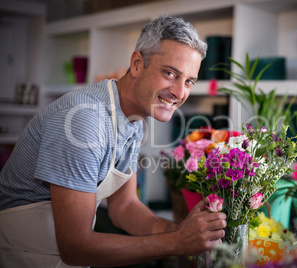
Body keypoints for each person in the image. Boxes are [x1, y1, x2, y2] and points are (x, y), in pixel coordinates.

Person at [0, 15, 226, 267]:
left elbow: (124, 206)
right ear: (137, 63)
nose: (179, 92)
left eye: (189, 81)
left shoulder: (134, 120)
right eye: (170, 73)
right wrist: (177, 242)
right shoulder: (85, 120)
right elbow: (75, 247)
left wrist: (182, 232)